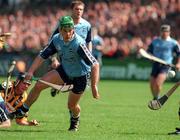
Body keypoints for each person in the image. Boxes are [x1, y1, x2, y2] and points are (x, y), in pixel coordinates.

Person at [10, 16, 100, 131]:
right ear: (60, 30)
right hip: (64, 71)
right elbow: (42, 56)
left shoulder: (79, 44)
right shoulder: (56, 39)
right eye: (64, 31)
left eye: (70, 30)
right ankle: (22, 110)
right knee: (38, 85)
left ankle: (75, 119)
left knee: (71, 106)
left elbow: (95, 64)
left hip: (80, 76)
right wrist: (31, 71)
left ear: (73, 30)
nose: (67, 34)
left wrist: (94, 86)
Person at [50, 0, 92, 97]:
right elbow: (53, 42)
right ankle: (57, 84)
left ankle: (72, 104)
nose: (79, 11)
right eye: (76, 9)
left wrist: (89, 54)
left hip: (80, 58)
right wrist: (54, 58)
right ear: (71, 10)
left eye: (81, 9)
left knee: (77, 85)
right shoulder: (64, 24)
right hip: (65, 56)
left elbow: (89, 41)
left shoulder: (87, 25)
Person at [147, 24, 180, 100]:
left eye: (166, 31)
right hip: (155, 64)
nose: (164, 33)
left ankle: (157, 99)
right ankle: (155, 98)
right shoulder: (155, 41)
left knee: (158, 84)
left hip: (166, 65)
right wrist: (150, 57)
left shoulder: (173, 43)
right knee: (152, 84)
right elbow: (148, 52)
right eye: (163, 31)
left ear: (169, 32)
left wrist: (178, 63)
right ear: (160, 32)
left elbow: (179, 54)